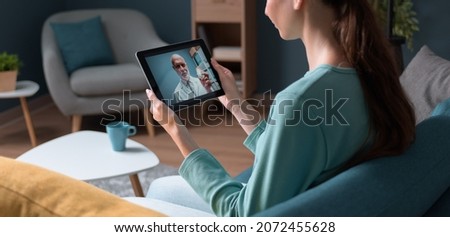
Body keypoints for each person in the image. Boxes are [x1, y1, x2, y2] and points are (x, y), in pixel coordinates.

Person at [146, 0, 416, 217]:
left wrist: (174, 128)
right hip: (316, 204)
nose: (265, 9)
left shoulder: (299, 99)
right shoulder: (370, 76)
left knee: (152, 197)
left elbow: (243, 215)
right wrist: (237, 107)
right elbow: (293, 150)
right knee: (160, 188)